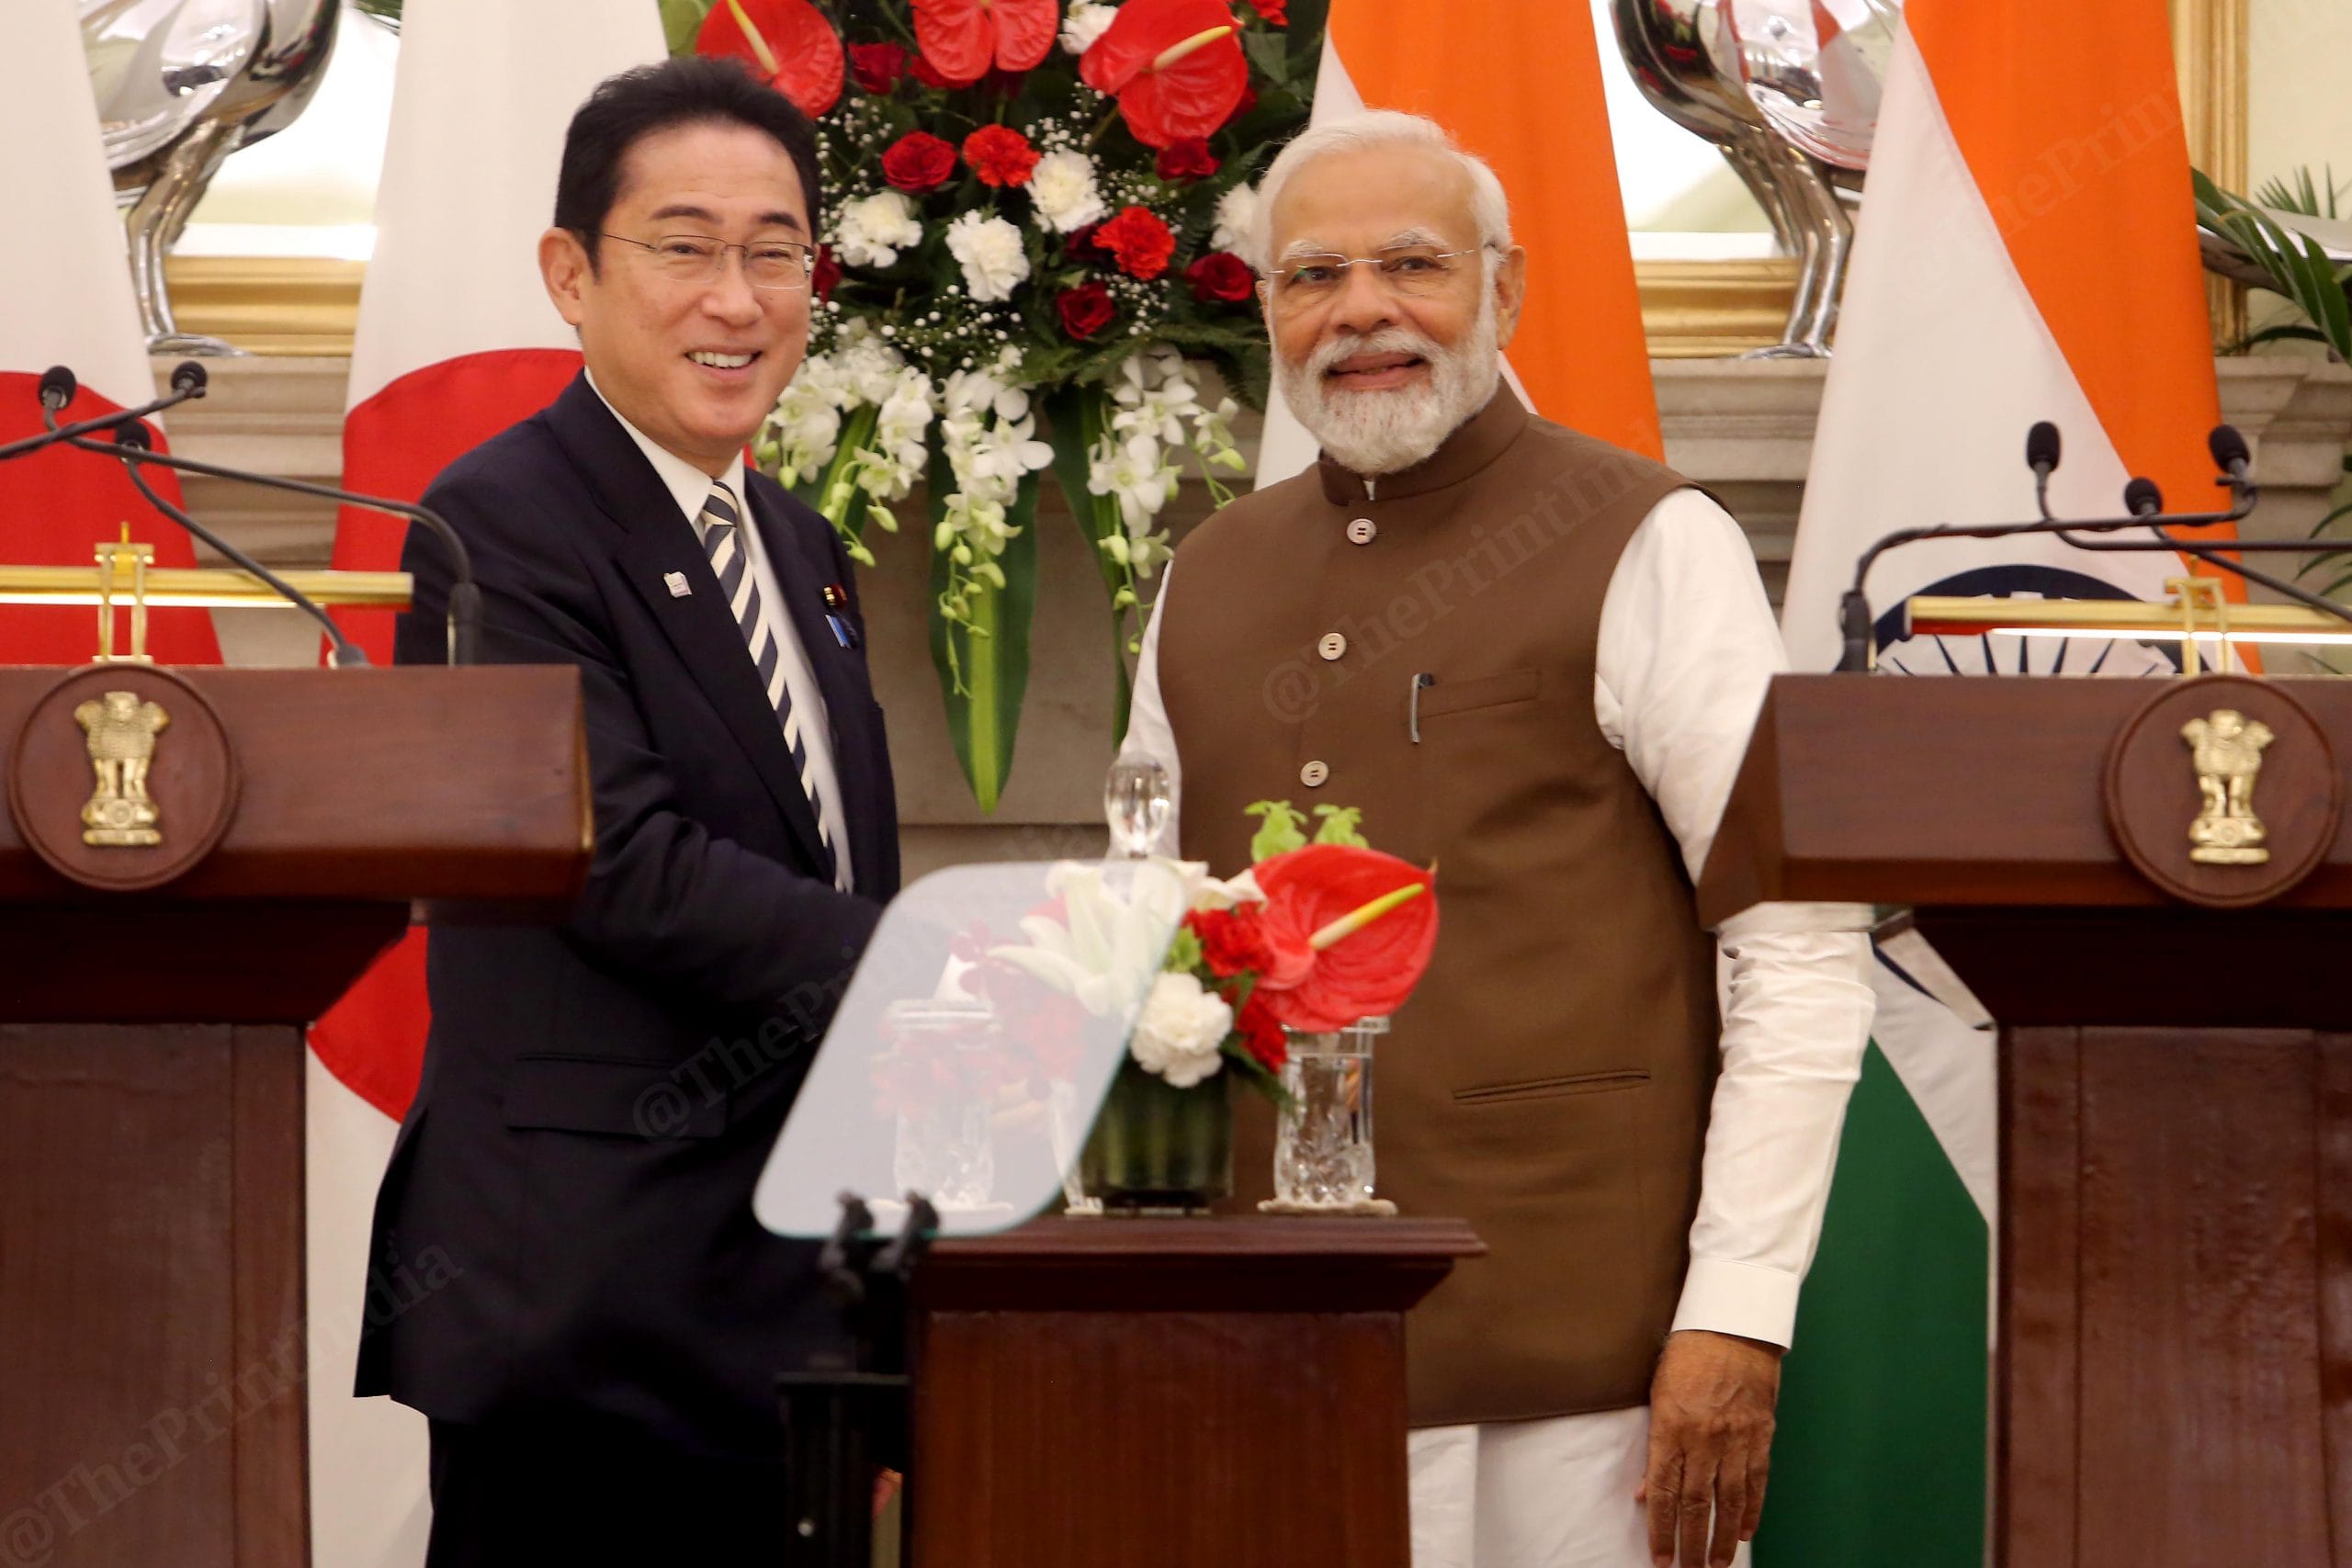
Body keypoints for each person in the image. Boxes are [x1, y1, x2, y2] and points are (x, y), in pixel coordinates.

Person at [1120, 111, 1876, 1568]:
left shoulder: (1650, 537)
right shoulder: (1205, 576)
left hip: (1578, 1363)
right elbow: (1139, 938)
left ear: (1508, 293)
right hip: (1260, 1343)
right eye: (1313, 275)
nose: (1363, 311)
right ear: (1268, 311)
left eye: (1415, 264)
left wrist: (1739, 1309)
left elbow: (1794, 944)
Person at [355, 57, 899, 1565]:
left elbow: (826, 861)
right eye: (684, 246)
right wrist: (948, 964)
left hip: (791, 1311)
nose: (737, 296)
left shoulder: (805, 549)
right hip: (589, 1319)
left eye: (774, 250)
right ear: (571, 275)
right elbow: (614, 859)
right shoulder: (493, 525)